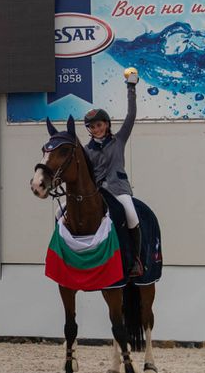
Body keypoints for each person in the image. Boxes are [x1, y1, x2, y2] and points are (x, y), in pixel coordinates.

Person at [83, 68, 143, 277]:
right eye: (92, 127)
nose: (96, 129)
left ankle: (135, 260)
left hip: (118, 189)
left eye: (99, 124)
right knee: (60, 213)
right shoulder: (86, 150)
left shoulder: (119, 139)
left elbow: (131, 114)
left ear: (106, 124)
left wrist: (131, 86)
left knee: (132, 216)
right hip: (97, 192)